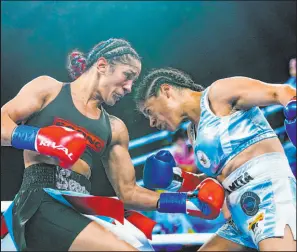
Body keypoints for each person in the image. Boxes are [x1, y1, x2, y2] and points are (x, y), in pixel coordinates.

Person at [1, 39, 225, 251]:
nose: (129, 87)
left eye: (133, 81)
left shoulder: (115, 128)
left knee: (142, 247)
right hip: (41, 201)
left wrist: (188, 201)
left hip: (80, 207)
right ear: (102, 65)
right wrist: (41, 140)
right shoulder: (49, 89)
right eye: (127, 75)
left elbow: (129, 193)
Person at [133, 67, 296, 251]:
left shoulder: (218, 94)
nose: (151, 122)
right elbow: (218, 180)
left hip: (271, 196)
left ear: (166, 90)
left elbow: (281, 92)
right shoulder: (193, 133)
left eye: (148, 111)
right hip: (239, 217)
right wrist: (175, 179)